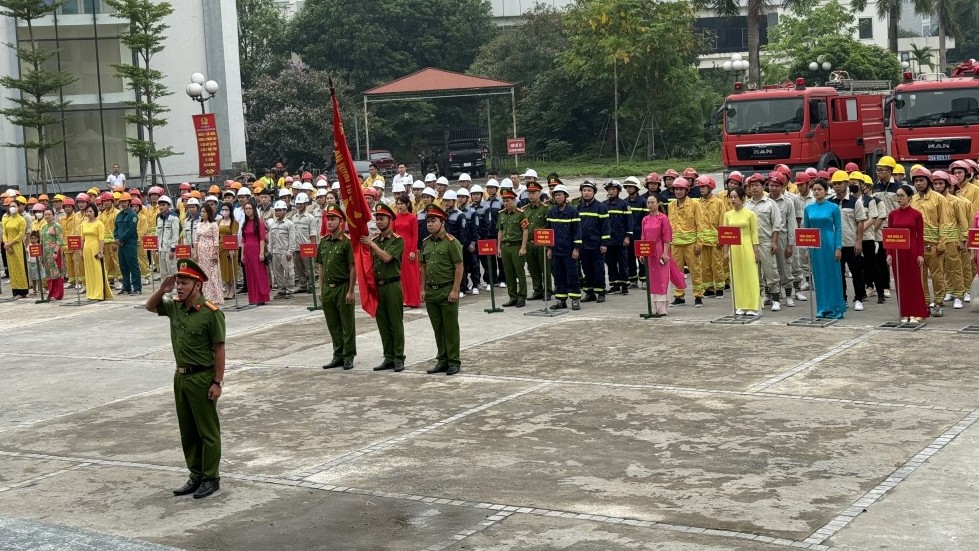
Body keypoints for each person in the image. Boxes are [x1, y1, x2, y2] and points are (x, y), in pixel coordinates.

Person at [145, 258, 226, 500]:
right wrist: (163, 289)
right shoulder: (174, 307)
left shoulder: (211, 313)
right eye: (178, 282)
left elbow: (219, 349)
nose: (179, 286)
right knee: (188, 431)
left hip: (202, 378)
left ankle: (211, 477)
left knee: (207, 431)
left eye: (185, 282)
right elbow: (149, 306)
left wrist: (217, 382)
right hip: (180, 377)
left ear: (198, 284)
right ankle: (196, 475)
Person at [420, 204, 464, 376]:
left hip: (447, 290)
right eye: (428, 221)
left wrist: (455, 290)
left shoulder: (452, 243)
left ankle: (453, 360)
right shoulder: (426, 243)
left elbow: (459, 267)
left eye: (433, 221)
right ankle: (442, 359)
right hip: (431, 291)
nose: (430, 224)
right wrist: (422, 289)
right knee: (438, 328)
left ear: (442, 222)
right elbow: (422, 267)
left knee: (450, 328)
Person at [364, 203, 406, 372]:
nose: (379, 222)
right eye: (377, 219)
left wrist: (372, 245)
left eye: (382, 219)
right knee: (383, 323)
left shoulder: (397, 240)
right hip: (378, 286)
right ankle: (388, 356)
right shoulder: (374, 240)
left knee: (396, 323)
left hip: (393, 285)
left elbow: (387, 257)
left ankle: (399, 357)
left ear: (390, 220)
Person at [910, 166, 954, 317]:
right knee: (920, 276)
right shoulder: (913, 200)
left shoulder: (939, 199)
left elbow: (945, 222)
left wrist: (942, 242)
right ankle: (925, 302)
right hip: (918, 245)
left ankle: (939, 303)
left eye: (921, 180)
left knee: (937, 275)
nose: (918, 183)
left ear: (928, 181)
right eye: (916, 181)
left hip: (934, 244)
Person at [318, 205, 356, 370]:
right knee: (333, 324)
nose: (329, 222)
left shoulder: (347, 242)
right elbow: (320, 266)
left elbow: (352, 267)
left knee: (347, 324)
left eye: (333, 219)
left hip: (342, 287)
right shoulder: (324, 242)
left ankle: (349, 355)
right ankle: (338, 354)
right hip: (328, 288)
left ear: (341, 221)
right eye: (328, 219)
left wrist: (351, 290)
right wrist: (321, 289)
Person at [803, 179, 846, 319]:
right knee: (819, 275)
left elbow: (838, 228)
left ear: (826, 191)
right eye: (814, 189)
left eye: (819, 189)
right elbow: (807, 229)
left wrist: (838, 247)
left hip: (829, 241)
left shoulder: (833, 207)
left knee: (833, 275)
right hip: (815, 244)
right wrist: (806, 248)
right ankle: (822, 307)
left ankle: (836, 307)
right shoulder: (808, 208)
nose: (816, 192)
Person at [887, 185, 929, 323]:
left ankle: (917, 312)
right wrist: (889, 253)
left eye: (902, 196)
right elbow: (889, 236)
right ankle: (904, 312)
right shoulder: (892, 214)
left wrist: (920, 254)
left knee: (914, 282)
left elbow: (920, 236)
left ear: (909, 198)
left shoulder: (916, 214)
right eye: (897, 196)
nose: (899, 199)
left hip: (912, 250)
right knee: (900, 282)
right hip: (897, 252)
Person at [746, 174, 785, 311]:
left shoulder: (770, 204)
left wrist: (774, 242)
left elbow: (776, 225)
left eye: (757, 185)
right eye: (752, 186)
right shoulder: (747, 205)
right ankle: (757, 298)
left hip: (766, 242)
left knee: (771, 271)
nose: (754, 188)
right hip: (750, 244)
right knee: (754, 272)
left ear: (763, 187)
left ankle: (776, 299)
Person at [722, 188, 761, 316]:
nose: (733, 200)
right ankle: (740, 305)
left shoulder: (750, 214)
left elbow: (754, 233)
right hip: (734, 249)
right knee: (737, 276)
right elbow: (725, 235)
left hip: (747, 246)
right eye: (731, 197)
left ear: (742, 198)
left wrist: (756, 251)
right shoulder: (728, 215)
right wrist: (725, 251)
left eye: (735, 197)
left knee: (750, 276)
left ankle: (753, 306)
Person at [640, 194, 677, 316]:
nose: (650, 205)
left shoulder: (663, 218)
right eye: (648, 203)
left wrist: (665, 252)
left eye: (653, 202)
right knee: (652, 278)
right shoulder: (645, 219)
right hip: (648, 251)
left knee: (661, 278)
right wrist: (642, 253)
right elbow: (643, 236)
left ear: (658, 203)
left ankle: (662, 307)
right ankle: (653, 307)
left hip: (660, 249)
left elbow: (666, 237)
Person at [545, 184, 581, 310]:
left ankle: (575, 299)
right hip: (556, 251)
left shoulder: (573, 211)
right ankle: (561, 300)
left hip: (569, 251)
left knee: (572, 275)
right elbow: (548, 231)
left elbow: (577, 231)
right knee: (558, 276)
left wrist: (576, 249)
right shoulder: (551, 212)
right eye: (556, 195)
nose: (558, 197)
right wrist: (549, 249)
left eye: (560, 195)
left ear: (565, 196)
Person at [668, 177, 703, 306]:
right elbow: (669, 226)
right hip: (676, 245)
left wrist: (699, 243)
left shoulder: (694, 205)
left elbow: (700, 224)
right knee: (677, 272)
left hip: (691, 244)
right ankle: (679, 296)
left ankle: (698, 296)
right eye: (676, 189)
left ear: (686, 190)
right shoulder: (671, 205)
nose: (678, 192)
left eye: (681, 189)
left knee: (695, 270)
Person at [577, 180, 610, 303]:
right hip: (583, 245)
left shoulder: (600, 207)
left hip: (596, 245)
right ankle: (589, 292)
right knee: (586, 269)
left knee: (598, 269)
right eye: (584, 190)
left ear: (594, 192)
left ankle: (600, 292)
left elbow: (606, 227)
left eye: (589, 190)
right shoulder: (579, 207)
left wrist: (604, 243)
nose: (586, 193)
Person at [695, 175, 727, 298]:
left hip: (715, 241)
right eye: (700, 187)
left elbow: (722, 221)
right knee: (704, 266)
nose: (701, 189)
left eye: (704, 187)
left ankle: (719, 288)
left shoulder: (718, 203)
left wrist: (721, 238)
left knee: (717, 265)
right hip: (703, 241)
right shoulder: (698, 203)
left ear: (710, 187)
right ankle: (708, 288)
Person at [497, 188, 528, 307]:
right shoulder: (502, 214)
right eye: (504, 201)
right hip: (505, 246)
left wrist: (523, 247)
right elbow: (500, 231)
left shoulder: (521, 213)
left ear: (514, 200)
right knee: (508, 273)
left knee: (519, 272)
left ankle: (522, 297)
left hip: (516, 245)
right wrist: (498, 247)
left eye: (508, 201)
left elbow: (525, 231)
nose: (505, 203)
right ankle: (512, 297)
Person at [523, 181, 552, 300]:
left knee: (545, 267)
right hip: (529, 243)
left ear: (539, 193)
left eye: (533, 192)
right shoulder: (524, 210)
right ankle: (537, 290)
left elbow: (549, 226)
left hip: (542, 243)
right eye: (529, 193)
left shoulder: (546, 209)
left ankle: (548, 290)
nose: (531, 195)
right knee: (532, 268)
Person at [604, 180, 633, 295]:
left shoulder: (624, 204)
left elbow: (629, 222)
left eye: (613, 190)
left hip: (621, 240)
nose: (611, 192)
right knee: (610, 263)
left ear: (618, 191)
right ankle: (614, 285)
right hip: (609, 240)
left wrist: (627, 237)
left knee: (623, 263)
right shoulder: (604, 205)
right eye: (609, 189)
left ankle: (624, 285)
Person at [241, 201, 271, 306]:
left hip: (256, 249)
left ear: (254, 210)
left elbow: (262, 239)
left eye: (249, 208)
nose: (248, 210)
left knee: (259, 273)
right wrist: (242, 254)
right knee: (250, 275)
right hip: (247, 251)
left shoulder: (259, 223)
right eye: (246, 209)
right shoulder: (245, 224)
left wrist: (261, 253)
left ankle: (261, 297)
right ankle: (253, 298)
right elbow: (243, 240)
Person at [80, 203, 113, 301]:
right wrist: (81, 251)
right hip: (86, 248)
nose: (88, 213)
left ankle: (99, 293)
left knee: (97, 270)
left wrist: (100, 251)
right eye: (87, 211)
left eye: (90, 211)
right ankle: (91, 293)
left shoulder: (99, 224)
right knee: (89, 271)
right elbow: (82, 238)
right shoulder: (83, 224)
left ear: (95, 212)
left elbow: (101, 239)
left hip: (95, 247)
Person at [394, 196, 420, 308]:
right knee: (401, 274)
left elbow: (415, 235)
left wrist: (413, 250)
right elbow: (393, 233)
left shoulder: (412, 218)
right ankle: (404, 298)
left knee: (411, 274)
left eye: (402, 203)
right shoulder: (395, 217)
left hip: (409, 247)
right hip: (398, 248)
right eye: (398, 204)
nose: (400, 206)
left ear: (407, 204)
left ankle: (413, 300)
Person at [267, 200, 297, 299]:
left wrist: (290, 251)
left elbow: (292, 239)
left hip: (285, 252)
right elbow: (270, 239)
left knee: (289, 271)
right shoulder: (273, 224)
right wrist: (270, 250)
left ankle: (290, 290)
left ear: (284, 211)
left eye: (280, 210)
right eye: (276, 210)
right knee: (277, 273)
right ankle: (282, 289)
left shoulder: (289, 224)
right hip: (275, 252)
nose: (278, 212)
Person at [195, 203, 223, 305]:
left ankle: (215, 296)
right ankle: (204, 295)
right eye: (201, 212)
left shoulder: (213, 224)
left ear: (209, 213)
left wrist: (215, 253)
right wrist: (196, 253)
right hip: (201, 251)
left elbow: (216, 240)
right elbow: (196, 240)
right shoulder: (199, 224)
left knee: (212, 273)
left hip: (210, 250)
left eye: (204, 212)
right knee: (202, 273)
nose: (202, 214)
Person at [291, 193, 318, 294]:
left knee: (309, 267)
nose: (299, 205)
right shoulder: (294, 217)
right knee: (298, 268)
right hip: (296, 246)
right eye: (297, 204)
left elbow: (313, 234)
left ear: (306, 204)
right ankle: (303, 285)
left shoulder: (310, 218)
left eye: (301, 204)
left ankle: (312, 285)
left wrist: (313, 247)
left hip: (306, 246)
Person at [114, 192, 141, 295]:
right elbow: (116, 228)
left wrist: (120, 239)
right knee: (123, 266)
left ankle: (137, 287)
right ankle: (126, 287)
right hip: (121, 245)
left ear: (129, 202)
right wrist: (116, 238)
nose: (123, 204)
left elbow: (130, 230)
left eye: (125, 202)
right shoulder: (119, 215)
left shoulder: (133, 215)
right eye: (121, 202)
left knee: (133, 266)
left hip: (130, 244)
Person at [2, 200, 28, 298]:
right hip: (8, 246)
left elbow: (21, 235)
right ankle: (15, 290)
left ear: (18, 207)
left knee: (20, 267)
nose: (12, 208)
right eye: (10, 206)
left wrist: (10, 243)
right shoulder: (7, 220)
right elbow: (4, 233)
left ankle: (22, 291)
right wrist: (6, 244)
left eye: (14, 206)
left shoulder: (21, 220)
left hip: (17, 246)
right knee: (12, 269)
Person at [40, 208, 65, 300]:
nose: (47, 216)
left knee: (56, 273)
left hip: (54, 253)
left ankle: (58, 294)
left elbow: (59, 240)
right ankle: (51, 293)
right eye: (45, 214)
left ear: (53, 215)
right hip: (46, 254)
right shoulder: (43, 227)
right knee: (49, 274)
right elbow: (42, 241)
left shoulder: (57, 226)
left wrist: (55, 252)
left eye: (49, 214)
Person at [217, 204, 239, 300]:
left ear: (230, 211)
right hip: (220, 247)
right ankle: (227, 288)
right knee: (224, 269)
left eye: (226, 209)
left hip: (230, 247)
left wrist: (232, 248)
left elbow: (234, 235)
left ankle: (232, 290)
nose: (224, 211)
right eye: (223, 209)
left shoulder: (233, 222)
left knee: (231, 268)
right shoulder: (219, 221)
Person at [157, 196, 181, 284]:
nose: (161, 207)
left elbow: (175, 235)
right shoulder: (159, 218)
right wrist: (157, 249)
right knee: (163, 272)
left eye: (163, 205)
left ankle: (175, 290)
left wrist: (172, 249)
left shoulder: (174, 218)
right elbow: (158, 234)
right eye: (160, 205)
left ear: (168, 205)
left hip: (170, 250)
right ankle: (165, 291)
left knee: (172, 270)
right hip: (161, 249)